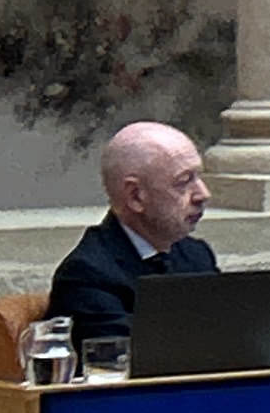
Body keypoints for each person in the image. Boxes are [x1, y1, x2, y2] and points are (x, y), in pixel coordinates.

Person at [46, 120, 218, 343]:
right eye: (183, 182)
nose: (202, 194)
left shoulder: (197, 256)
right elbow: (119, 363)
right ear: (135, 196)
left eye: (199, 177)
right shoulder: (88, 275)